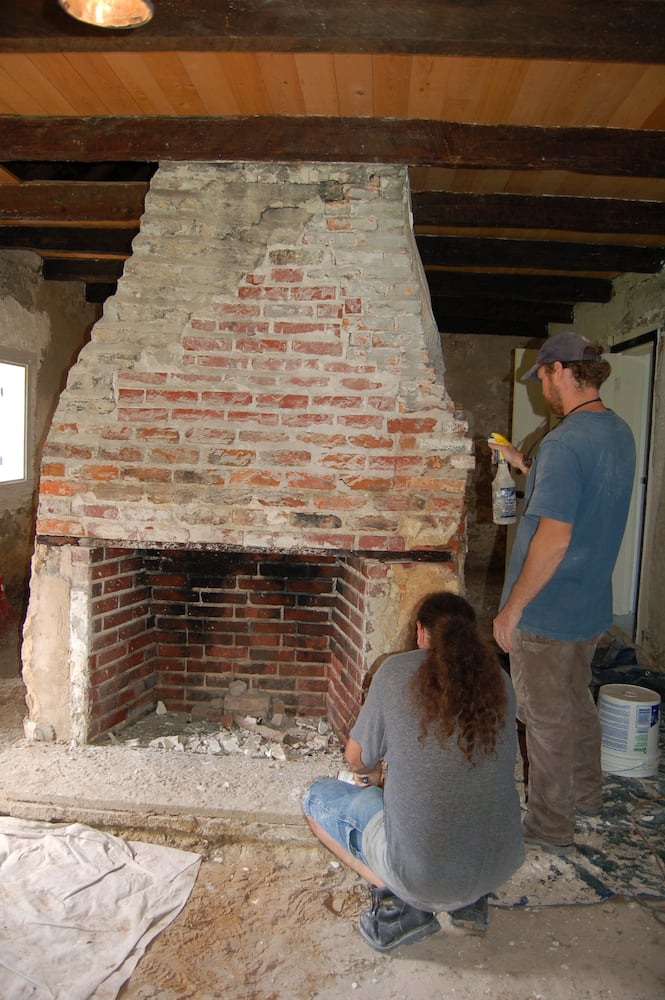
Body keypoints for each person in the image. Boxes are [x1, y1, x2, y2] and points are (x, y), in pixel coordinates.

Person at [302, 591, 524, 954]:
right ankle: (469, 903)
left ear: (421, 633)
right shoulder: (499, 681)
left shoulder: (395, 672)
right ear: (471, 634)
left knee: (316, 799)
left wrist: (371, 773)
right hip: (496, 864)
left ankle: (403, 906)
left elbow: (355, 759)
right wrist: (385, 777)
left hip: (423, 879)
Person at [490, 331, 636, 849]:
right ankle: (587, 795)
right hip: (590, 603)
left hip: (548, 611)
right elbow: (583, 495)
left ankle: (550, 825)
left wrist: (512, 610)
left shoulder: (564, 442)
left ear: (558, 372)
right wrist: (526, 467)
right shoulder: (616, 432)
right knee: (577, 701)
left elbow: (553, 540)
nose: (541, 390)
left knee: (545, 717)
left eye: (543, 378)